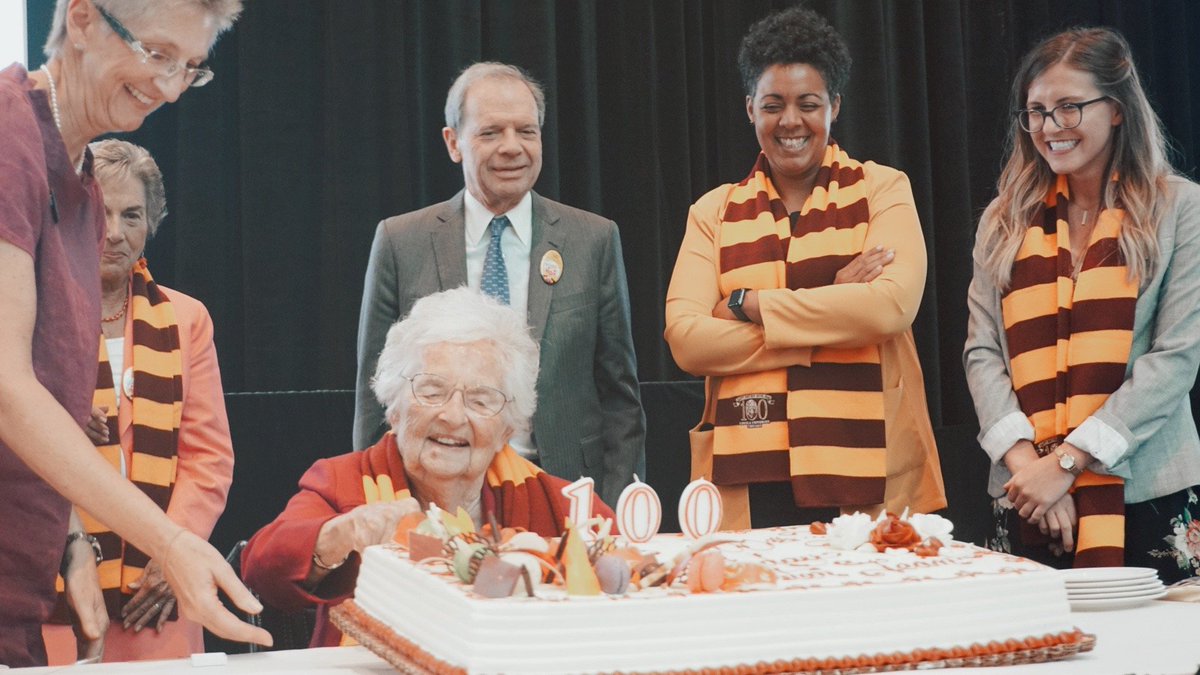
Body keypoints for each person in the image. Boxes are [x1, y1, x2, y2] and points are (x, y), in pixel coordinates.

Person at [0, 0, 269, 665]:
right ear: (84, 18)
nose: (171, 87)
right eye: (157, 54)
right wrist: (174, 544)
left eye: (191, 68)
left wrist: (70, 547)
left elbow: (41, 412)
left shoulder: (85, 189)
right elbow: (6, 386)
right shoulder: (8, 135)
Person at [664, 6, 945, 530]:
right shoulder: (713, 211)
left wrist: (747, 307)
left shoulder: (882, 187)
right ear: (750, 109)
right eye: (773, 105)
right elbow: (686, 340)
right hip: (747, 476)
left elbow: (889, 307)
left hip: (871, 470)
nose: (790, 120)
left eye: (808, 104)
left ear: (834, 106)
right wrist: (834, 308)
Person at [244, 287, 616, 646]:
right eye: (432, 391)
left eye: (481, 400)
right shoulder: (343, 483)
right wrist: (340, 537)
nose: (453, 416)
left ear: (509, 427)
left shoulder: (558, 504)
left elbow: (624, 574)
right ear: (393, 406)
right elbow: (262, 571)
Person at [964, 27, 1200, 583]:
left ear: (1116, 109)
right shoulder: (1003, 220)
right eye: (1037, 111)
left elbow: (1176, 358)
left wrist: (1069, 464)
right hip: (1026, 497)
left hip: (1146, 491)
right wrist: (1031, 468)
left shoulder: (1179, 209)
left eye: (1069, 107)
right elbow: (982, 353)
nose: (1050, 127)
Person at [353, 62, 645, 509]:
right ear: (454, 143)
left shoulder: (593, 239)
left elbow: (620, 400)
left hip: (566, 494)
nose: (513, 148)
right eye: (491, 133)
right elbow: (375, 401)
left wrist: (615, 510)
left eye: (526, 131)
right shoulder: (401, 241)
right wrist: (384, 510)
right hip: (436, 498)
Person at [39, 140, 236, 664]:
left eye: (133, 215)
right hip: (55, 590)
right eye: (102, 213)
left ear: (154, 221)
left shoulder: (186, 318)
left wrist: (173, 549)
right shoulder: (28, 312)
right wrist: (52, 424)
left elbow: (210, 459)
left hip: (159, 599)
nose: (117, 232)